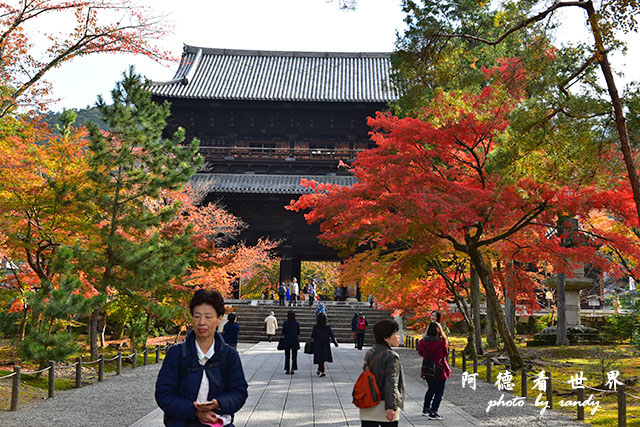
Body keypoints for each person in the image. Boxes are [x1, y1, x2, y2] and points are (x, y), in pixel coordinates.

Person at [155, 289, 248, 427]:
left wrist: (219, 404)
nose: (201, 322)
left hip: (218, 422)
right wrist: (194, 411)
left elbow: (239, 392)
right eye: (197, 316)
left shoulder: (229, 355)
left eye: (208, 317)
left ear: (219, 318)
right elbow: (164, 394)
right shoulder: (177, 353)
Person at [359, 319, 405, 427]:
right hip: (384, 405)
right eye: (395, 333)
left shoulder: (370, 352)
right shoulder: (391, 356)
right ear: (386, 338)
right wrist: (390, 407)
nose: (398, 336)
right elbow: (391, 381)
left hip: (368, 403)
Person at [417, 322, 451, 421]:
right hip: (439, 368)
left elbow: (420, 352)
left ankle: (426, 408)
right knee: (439, 392)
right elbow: (445, 353)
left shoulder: (423, 341)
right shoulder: (442, 341)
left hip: (427, 368)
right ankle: (433, 411)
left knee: (431, 388)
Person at [281, 310, 300, 375]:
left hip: (287, 340)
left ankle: (287, 369)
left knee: (287, 356)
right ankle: (293, 369)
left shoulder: (285, 323)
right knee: (294, 356)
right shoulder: (296, 323)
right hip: (294, 340)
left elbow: (283, 332)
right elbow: (298, 332)